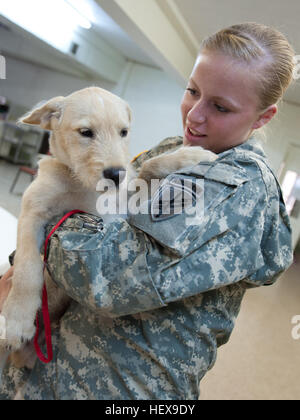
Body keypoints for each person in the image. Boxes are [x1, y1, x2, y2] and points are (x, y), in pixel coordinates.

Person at [0, 22, 295, 400]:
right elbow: (126, 191)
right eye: (192, 91)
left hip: (115, 387)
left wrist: (45, 225)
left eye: (220, 107)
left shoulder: (236, 187)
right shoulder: (174, 148)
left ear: (263, 117)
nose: (195, 116)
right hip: (46, 366)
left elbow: (109, 276)